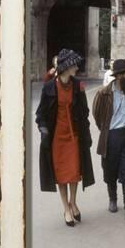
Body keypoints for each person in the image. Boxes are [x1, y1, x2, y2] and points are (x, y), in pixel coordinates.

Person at [35, 48, 95, 227]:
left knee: (75, 172)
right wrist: (44, 130)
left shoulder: (78, 86)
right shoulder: (49, 87)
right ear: (66, 67)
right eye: (74, 65)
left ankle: (73, 202)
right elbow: (41, 114)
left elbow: (84, 112)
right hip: (57, 138)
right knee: (61, 175)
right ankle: (66, 208)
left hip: (74, 136)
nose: (76, 67)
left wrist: (87, 133)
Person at [92, 59, 125, 220]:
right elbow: (97, 114)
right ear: (118, 76)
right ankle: (113, 198)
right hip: (111, 136)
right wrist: (105, 129)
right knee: (110, 170)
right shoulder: (104, 93)